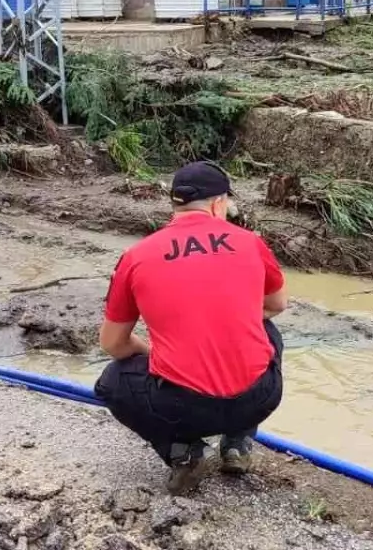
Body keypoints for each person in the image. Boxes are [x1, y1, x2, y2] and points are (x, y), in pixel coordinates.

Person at [94, 161, 288, 494]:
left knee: (113, 381)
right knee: (268, 334)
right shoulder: (251, 242)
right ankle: (237, 442)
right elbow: (276, 305)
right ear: (218, 204)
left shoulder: (136, 255)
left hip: (181, 408)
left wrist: (155, 354)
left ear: (176, 204)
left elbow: (113, 344)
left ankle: (184, 453)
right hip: (260, 397)